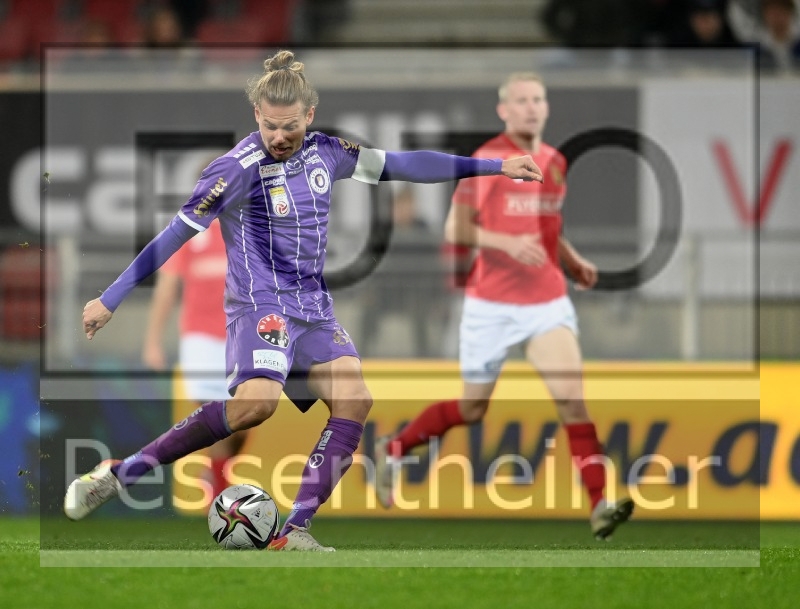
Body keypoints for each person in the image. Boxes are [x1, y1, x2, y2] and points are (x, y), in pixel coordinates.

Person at [63, 50, 543, 551]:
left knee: (355, 399)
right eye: (270, 125)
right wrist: (111, 298)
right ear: (256, 115)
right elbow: (173, 235)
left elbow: (402, 164)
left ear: (309, 115)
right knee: (256, 407)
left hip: (312, 308)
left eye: (289, 126)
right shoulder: (234, 170)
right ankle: (121, 473)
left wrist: (495, 166)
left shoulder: (327, 152)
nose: (278, 136)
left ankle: (293, 531)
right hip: (260, 306)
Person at [373, 72, 634, 541]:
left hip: (545, 302)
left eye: (538, 99)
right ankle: (395, 447)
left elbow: (548, 228)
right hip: (490, 305)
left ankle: (600, 505)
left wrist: (572, 261)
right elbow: (455, 229)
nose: (531, 108)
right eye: (522, 101)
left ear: (546, 107)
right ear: (504, 111)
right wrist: (506, 242)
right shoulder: (489, 160)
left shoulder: (554, 161)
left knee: (572, 400)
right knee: (472, 408)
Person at [141, 218, 249, 507]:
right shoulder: (187, 231)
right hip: (201, 338)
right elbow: (167, 287)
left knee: (247, 418)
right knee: (220, 415)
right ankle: (220, 501)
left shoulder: (251, 228)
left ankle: (214, 472)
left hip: (243, 335)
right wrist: (153, 341)